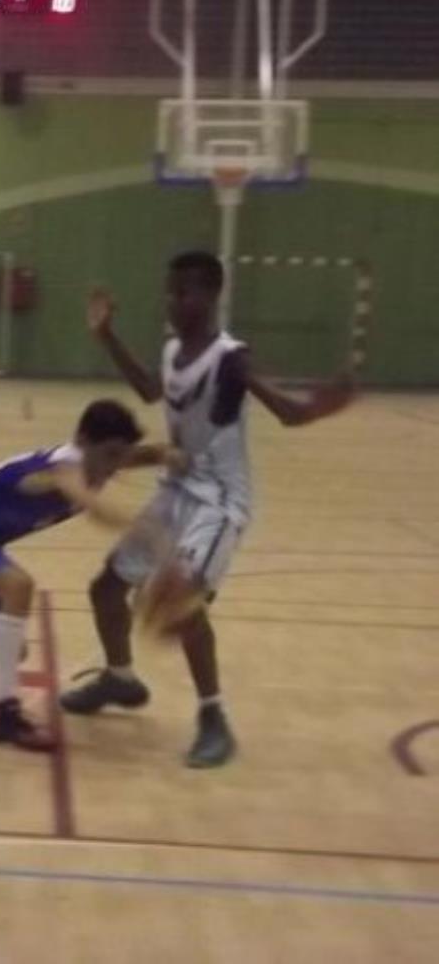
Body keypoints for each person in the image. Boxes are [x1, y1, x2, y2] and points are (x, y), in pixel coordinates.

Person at [59, 251, 354, 767]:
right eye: (170, 292)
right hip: (176, 487)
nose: (174, 301)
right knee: (105, 587)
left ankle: (214, 716)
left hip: (219, 500)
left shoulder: (230, 357)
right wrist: (107, 335)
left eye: (185, 292)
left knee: (184, 602)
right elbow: (150, 390)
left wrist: (317, 407)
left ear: (212, 295)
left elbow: (287, 413)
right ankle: (120, 679)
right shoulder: (174, 348)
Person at [0, 400, 178, 749]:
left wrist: (175, 455)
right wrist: (155, 537)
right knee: (18, 587)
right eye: (111, 455)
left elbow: (143, 455)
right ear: (83, 440)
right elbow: (97, 509)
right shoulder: (63, 469)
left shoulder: (99, 458)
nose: (115, 466)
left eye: (121, 457)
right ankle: (3, 716)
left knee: (6, 648)